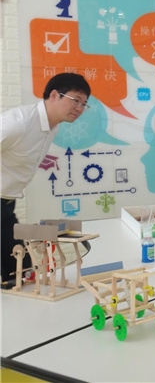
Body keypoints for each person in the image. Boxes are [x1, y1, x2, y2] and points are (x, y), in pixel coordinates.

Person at [1, 72, 92, 285]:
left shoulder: (52, 127)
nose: (79, 108)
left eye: (84, 104)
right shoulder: (18, 123)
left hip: (7, 202)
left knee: (19, 270)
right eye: (75, 100)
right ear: (54, 95)